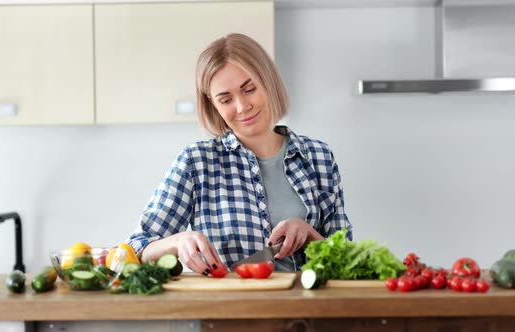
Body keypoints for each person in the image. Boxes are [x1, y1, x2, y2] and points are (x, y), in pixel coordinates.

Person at [128, 33, 352, 275]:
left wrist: (309, 234)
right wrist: (177, 241)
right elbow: (136, 248)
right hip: (230, 309)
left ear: (268, 81)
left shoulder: (318, 157)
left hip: (308, 308)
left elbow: (347, 260)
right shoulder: (196, 162)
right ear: (212, 104)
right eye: (225, 99)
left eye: (249, 89)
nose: (242, 106)